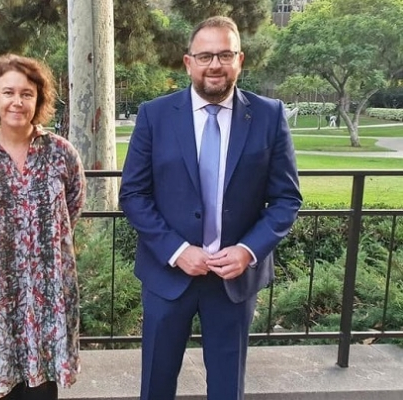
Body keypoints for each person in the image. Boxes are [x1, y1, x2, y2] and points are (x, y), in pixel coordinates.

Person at [119, 16, 302, 400]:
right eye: (205, 56)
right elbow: (134, 195)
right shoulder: (154, 114)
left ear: (240, 59)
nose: (214, 65)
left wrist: (248, 251)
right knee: (156, 384)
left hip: (233, 280)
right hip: (168, 276)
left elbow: (286, 199)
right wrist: (178, 251)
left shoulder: (269, 116)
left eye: (224, 54)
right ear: (188, 62)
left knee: (226, 389)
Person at [0, 54, 86, 400]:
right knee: (2, 387)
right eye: (8, 92)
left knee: (42, 388)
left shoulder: (61, 153)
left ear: (38, 100)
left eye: (27, 93)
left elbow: (71, 209)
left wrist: (41, 244)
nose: (17, 101)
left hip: (48, 291)